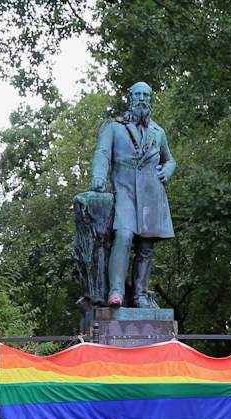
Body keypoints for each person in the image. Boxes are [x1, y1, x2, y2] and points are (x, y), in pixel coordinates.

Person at [89, 81, 177, 308]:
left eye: (145, 95)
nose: (141, 98)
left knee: (146, 247)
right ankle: (116, 291)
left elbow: (170, 159)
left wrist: (167, 170)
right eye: (137, 94)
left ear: (150, 99)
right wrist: (98, 177)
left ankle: (140, 294)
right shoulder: (113, 127)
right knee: (124, 235)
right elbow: (101, 153)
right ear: (129, 97)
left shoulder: (158, 132)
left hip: (151, 194)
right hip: (124, 190)